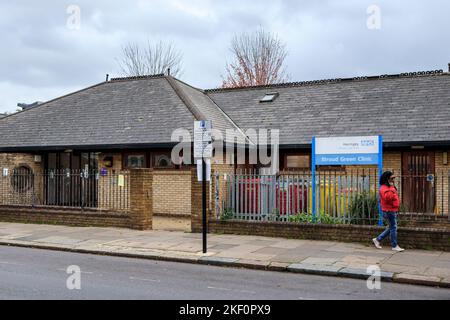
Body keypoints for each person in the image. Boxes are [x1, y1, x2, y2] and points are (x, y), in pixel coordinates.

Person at [373, 171, 405, 252]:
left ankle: (377, 239)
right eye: (391, 178)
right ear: (386, 179)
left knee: (392, 227)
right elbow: (388, 198)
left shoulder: (389, 187)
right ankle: (394, 245)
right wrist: (391, 188)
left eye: (393, 178)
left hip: (392, 210)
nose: (393, 180)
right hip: (388, 210)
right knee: (393, 228)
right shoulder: (384, 188)